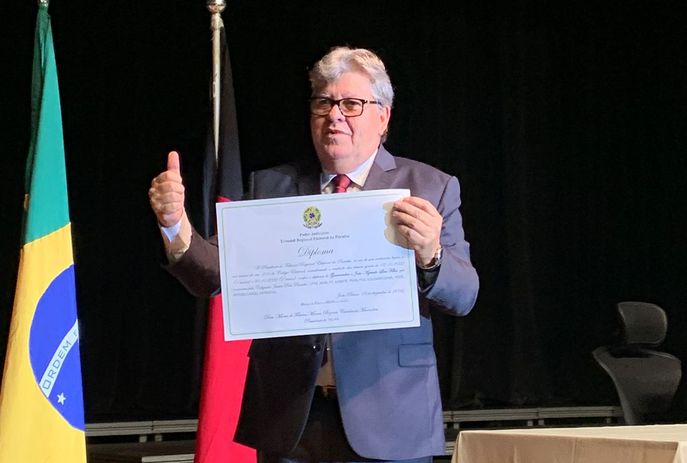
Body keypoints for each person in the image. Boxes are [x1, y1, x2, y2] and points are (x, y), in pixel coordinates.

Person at [149, 46, 479, 463]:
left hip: (389, 415)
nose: (334, 115)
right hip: (290, 420)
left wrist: (431, 254)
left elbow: (464, 295)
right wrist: (175, 225)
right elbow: (214, 275)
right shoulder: (273, 187)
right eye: (323, 102)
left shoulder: (429, 186)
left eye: (351, 104)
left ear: (383, 117)